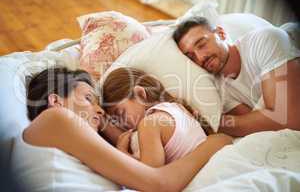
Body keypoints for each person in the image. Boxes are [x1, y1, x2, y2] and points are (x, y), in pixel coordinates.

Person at [11, 67, 232, 192]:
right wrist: (214, 143)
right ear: (56, 100)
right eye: (89, 98)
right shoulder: (57, 117)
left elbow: (117, 137)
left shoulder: (62, 130)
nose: (99, 110)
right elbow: (159, 183)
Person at [173, 16, 300, 137]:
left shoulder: (264, 41)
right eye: (191, 56)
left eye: (202, 45)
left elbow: (288, 118)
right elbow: (261, 126)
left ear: (221, 34)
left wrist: (214, 123)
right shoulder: (219, 91)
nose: (200, 57)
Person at [101, 67, 209, 167]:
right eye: (116, 120)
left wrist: (122, 152)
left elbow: (149, 178)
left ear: (140, 94)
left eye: (121, 113)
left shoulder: (149, 124)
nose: (122, 124)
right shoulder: (178, 108)